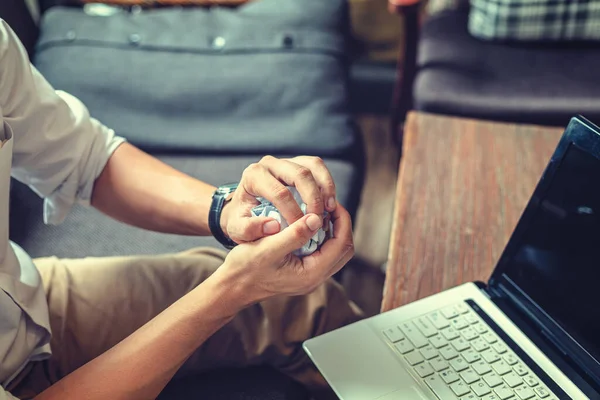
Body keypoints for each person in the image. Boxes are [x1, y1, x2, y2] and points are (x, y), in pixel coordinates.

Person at [0, 19, 363, 400]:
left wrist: (226, 209)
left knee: (302, 304)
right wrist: (234, 289)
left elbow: (84, 156)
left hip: (24, 298)